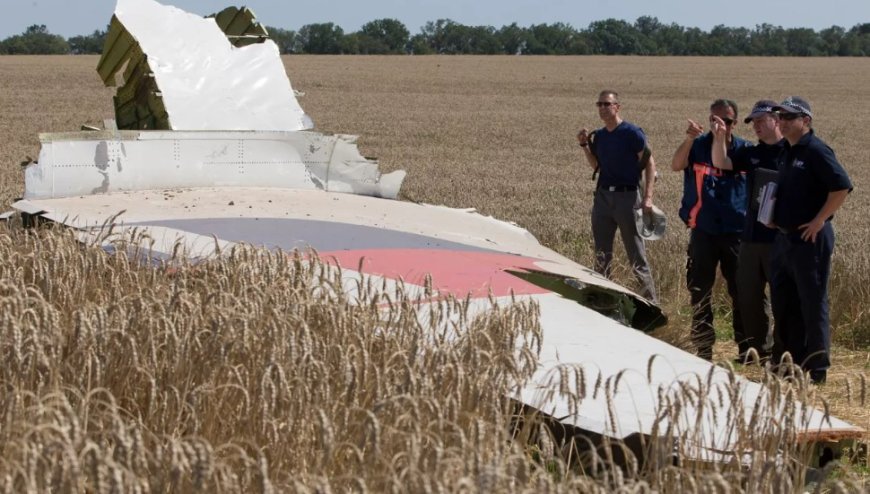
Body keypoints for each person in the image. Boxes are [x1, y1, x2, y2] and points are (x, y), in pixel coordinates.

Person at [767, 96, 852, 384]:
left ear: (806, 121)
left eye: (790, 117)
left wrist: (820, 220)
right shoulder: (785, 151)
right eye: (780, 116)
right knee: (784, 301)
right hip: (783, 238)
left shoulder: (816, 150)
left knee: (812, 301)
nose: (783, 121)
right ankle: (790, 363)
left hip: (809, 239)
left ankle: (817, 369)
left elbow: (841, 186)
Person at [671, 99, 751, 361]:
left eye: (725, 121)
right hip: (703, 230)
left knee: (741, 290)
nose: (719, 125)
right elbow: (676, 164)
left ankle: (747, 348)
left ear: (734, 123)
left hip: (735, 231)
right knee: (700, 291)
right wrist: (689, 139)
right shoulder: (699, 146)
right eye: (714, 120)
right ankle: (703, 348)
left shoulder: (743, 150)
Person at [710, 100, 784, 363]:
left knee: (782, 297)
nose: (757, 127)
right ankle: (759, 351)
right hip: (751, 237)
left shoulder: (791, 152)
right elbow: (721, 161)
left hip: (780, 240)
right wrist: (720, 137)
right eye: (754, 123)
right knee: (749, 295)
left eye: (762, 121)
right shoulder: (752, 154)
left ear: (777, 120)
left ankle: (781, 352)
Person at [577, 90, 659, 303]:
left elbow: (650, 164)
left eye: (607, 104)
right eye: (600, 104)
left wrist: (648, 197)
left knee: (636, 255)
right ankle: (603, 302)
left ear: (617, 107)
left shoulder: (632, 133)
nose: (603, 108)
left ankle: (651, 304)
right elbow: (597, 166)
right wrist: (585, 146)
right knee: (601, 255)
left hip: (628, 197)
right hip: (603, 197)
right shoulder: (600, 136)